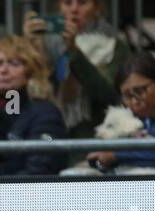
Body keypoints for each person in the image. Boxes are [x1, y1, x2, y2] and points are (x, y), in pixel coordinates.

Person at [23, 0, 129, 142]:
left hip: (94, 134)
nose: (74, 9)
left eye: (82, 2)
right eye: (67, 3)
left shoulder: (113, 45)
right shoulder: (47, 42)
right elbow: (16, 98)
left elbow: (109, 94)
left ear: (97, 8)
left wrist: (74, 51)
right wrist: (30, 50)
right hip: (45, 132)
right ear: (59, 7)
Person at [0, 35, 68, 176]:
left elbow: (41, 169)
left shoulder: (45, 113)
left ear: (30, 73)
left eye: (13, 64)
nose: (3, 70)